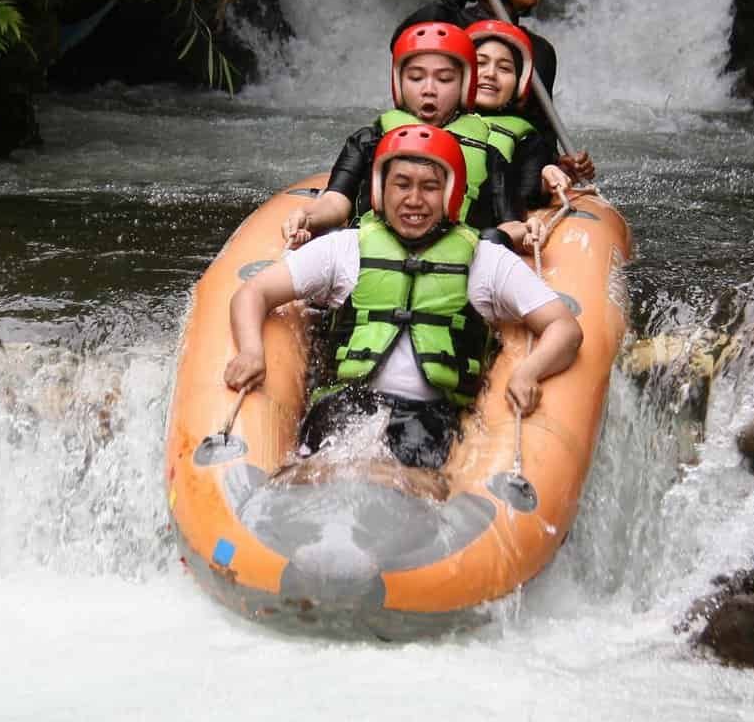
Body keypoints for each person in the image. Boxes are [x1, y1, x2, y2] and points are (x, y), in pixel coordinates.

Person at [224, 125, 583, 469]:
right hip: (345, 405)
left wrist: (529, 372)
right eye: (402, 185)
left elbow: (563, 328)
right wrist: (252, 351)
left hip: (432, 417)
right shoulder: (345, 248)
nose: (414, 200)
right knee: (309, 475)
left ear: (451, 193)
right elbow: (253, 293)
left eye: (429, 187)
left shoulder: (485, 260)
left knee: (407, 485)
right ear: (381, 190)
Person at [282, 21, 536, 248]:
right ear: (399, 83)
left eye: (444, 79)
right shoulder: (368, 140)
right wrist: (309, 217)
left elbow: (508, 222)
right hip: (374, 260)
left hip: (455, 270)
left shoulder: (489, 153)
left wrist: (526, 232)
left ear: (464, 86)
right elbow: (336, 201)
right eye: (415, 78)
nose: (429, 90)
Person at [392, 0, 596, 181]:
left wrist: (558, 164)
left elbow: (540, 130)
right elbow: (402, 42)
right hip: (441, 158)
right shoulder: (450, 26)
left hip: (505, 169)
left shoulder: (539, 51)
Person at [469, 19, 569, 209]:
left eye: (504, 68)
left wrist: (545, 178)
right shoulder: (437, 122)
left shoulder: (528, 141)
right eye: (480, 63)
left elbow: (523, 198)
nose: (490, 74)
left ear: (519, 83)